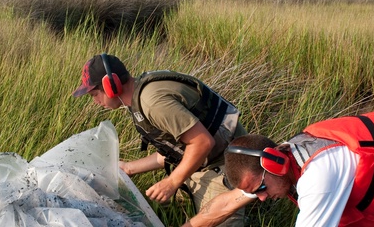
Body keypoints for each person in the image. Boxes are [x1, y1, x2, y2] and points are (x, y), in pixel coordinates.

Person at [72, 53, 249, 226]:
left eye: (94, 94)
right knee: (164, 204)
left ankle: (242, 194)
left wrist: (172, 182)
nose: (95, 101)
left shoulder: (152, 103)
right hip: (203, 159)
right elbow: (175, 148)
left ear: (111, 85)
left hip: (228, 161)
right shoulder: (139, 94)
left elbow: (202, 142)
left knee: (216, 219)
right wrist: (129, 168)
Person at [182, 109, 374, 227]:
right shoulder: (272, 167)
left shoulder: (319, 176)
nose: (260, 198)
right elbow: (226, 204)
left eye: (260, 189)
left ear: (275, 163)